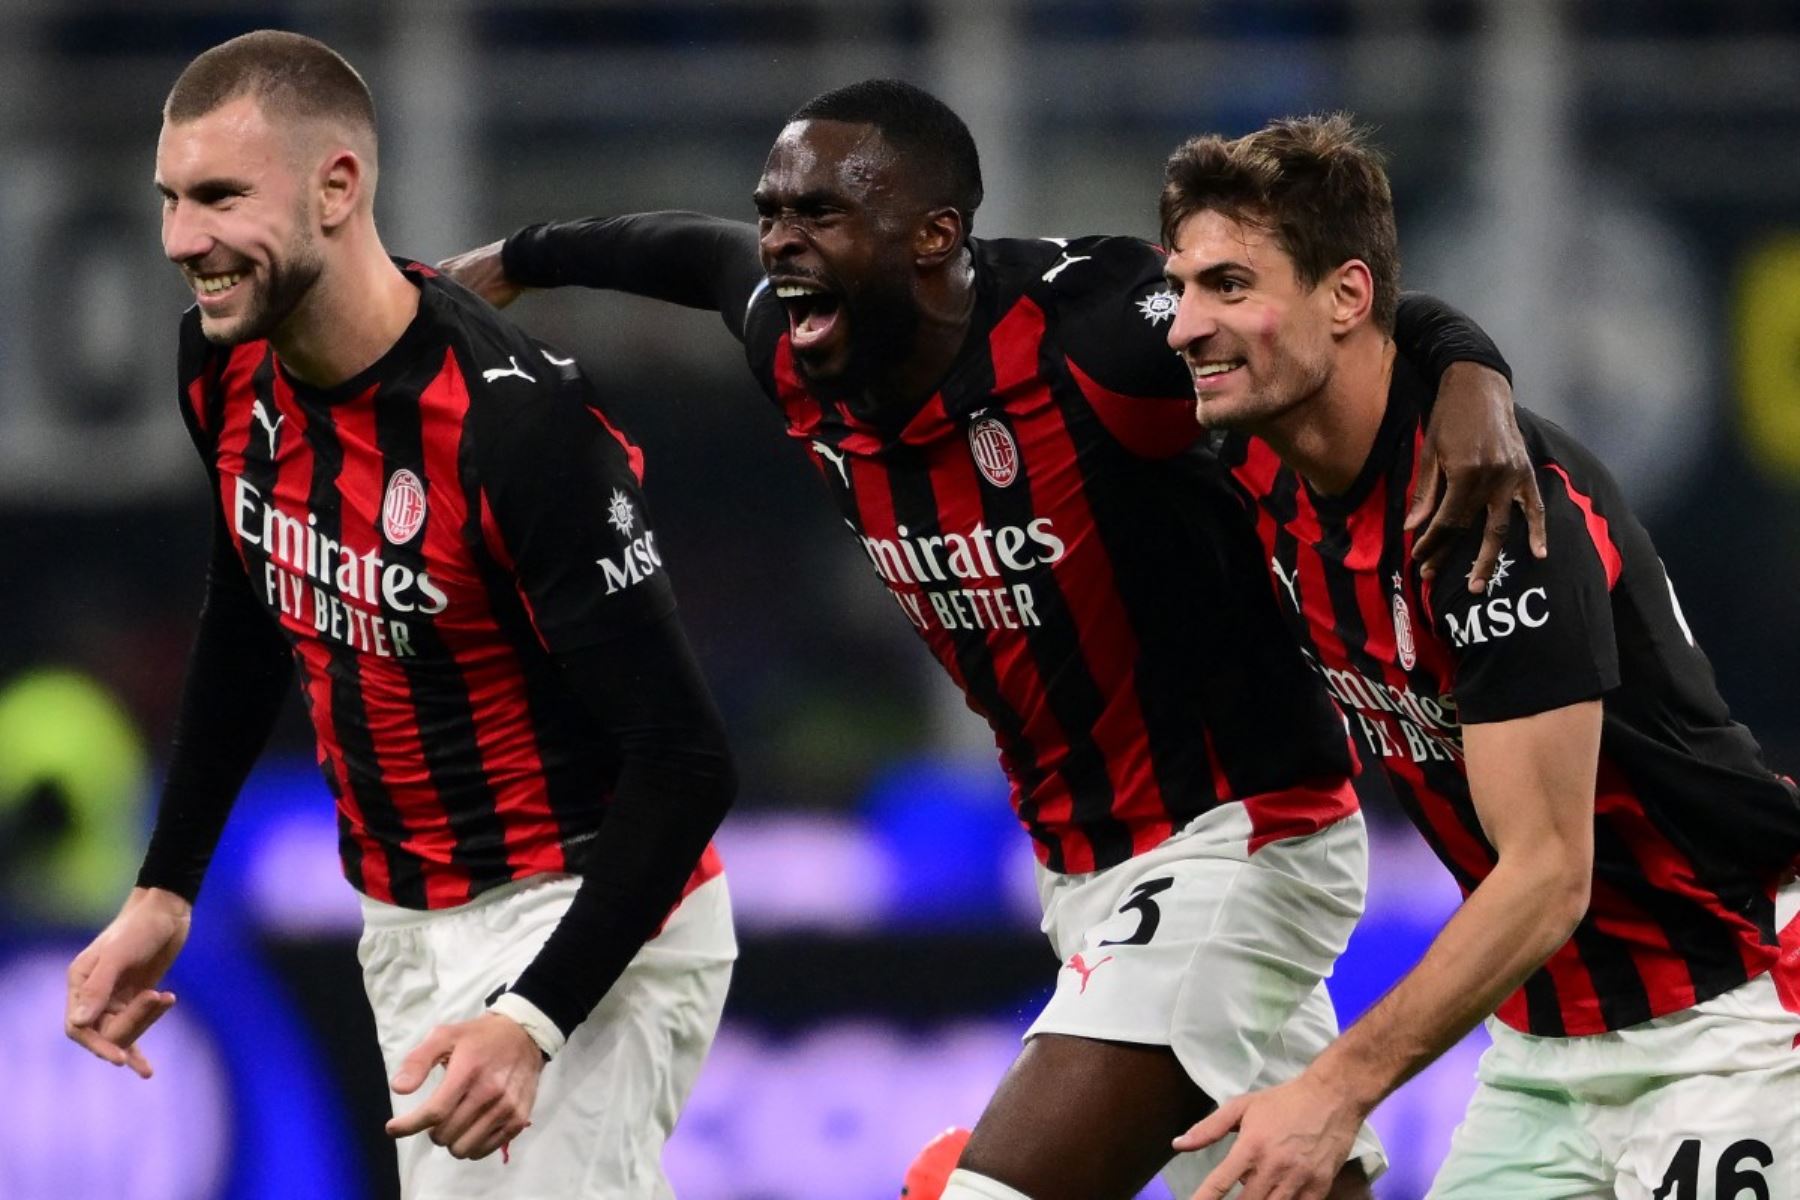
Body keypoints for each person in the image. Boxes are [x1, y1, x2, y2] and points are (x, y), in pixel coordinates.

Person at [441, 80, 1539, 1200]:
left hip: (1232, 842)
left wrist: (1468, 374)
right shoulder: (788, 339)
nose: (782, 241)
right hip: (1082, 869)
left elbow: (1329, 322)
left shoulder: (1098, 334)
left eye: (820, 214)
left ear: (934, 237)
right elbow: (686, 250)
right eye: (775, 211)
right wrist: (525, 254)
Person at [62, 30, 737, 1199]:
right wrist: (166, 886)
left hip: (573, 911)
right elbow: (252, 598)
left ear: (338, 187)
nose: (182, 241)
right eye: (170, 200)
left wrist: (532, 1018)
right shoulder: (222, 365)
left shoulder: (515, 432)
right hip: (401, 920)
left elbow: (686, 763)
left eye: (221, 197)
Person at [1158, 114, 1800, 1200]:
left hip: (1731, 1020)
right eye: (1181, 285)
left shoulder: (1492, 506)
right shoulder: (1248, 462)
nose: (1185, 324)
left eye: (1227, 284)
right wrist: (1465, 352)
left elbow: (1547, 875)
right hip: (1541, 1055)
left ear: (1349, 298)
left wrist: (1332, 1092)